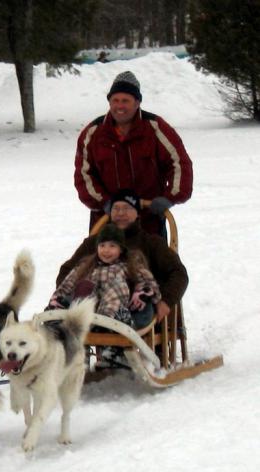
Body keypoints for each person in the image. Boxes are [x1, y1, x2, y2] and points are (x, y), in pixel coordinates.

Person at [74, 70, 193, 236]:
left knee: (154, 262)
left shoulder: (156, 128)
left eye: (125, 101)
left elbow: (179, 163)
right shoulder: (93, 133)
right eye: (115, 100)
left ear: (137, 103)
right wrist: (105, 203)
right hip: (107, 224)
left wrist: (169, 198)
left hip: (149, 222)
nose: (119, 106)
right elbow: (84, 175)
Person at [56, 189, 188, 323]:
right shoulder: (94, 243)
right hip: (93, 311)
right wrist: (69, 297)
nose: (120, 213)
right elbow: (67, 270)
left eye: (127, 208)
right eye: (116, 208)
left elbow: (179, 273)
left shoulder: (151, 243)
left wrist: (165, 301)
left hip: (138, 312)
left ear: (137, 213)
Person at [49, 223, 161, 329]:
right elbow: (67, 284)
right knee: (84, 286)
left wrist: (140, 295)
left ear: (121, 249)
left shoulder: (129, 265)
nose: (106, 250)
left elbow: (148, 284)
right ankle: (63, 317)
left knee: (118, 286)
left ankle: (108, 321)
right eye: (102, 246)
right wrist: (58, 300)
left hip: (120, 312)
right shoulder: (88, 266)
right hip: (89, 314)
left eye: (112, 246)